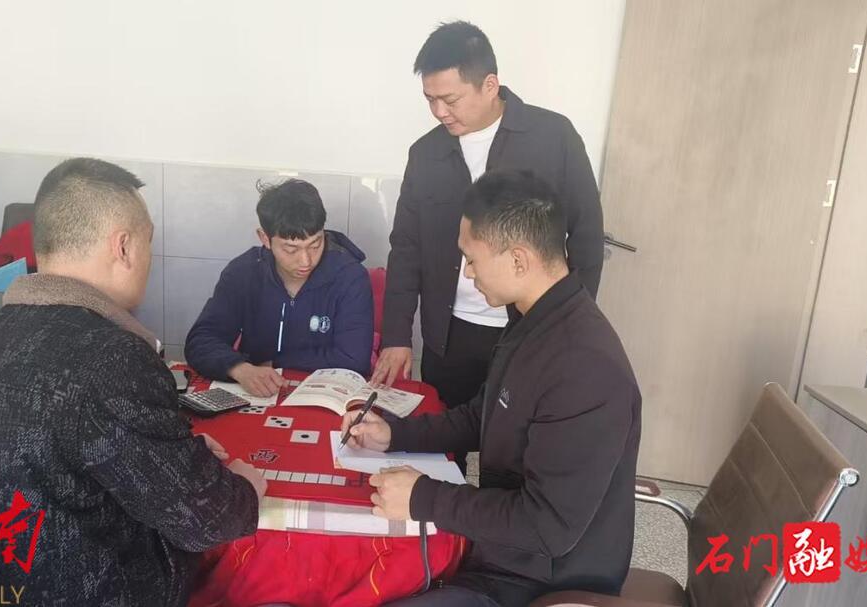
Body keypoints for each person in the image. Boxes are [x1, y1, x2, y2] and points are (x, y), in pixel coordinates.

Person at [0, 158, 266, 606]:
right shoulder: (113, 356)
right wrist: (243, 489)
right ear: (124, 247)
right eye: (148, 242)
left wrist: (179, 454)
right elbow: (204, 519)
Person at [345, 171, 640, 607]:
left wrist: (424, 497)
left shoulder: (585, 367)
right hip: (500, 551)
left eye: (472, 259)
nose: (467, 273)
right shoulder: (533, 319)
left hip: (540, 582)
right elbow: (483, 414)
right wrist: (395, 434)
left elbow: (546, 527)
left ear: (519, 260)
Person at [372, 22, 606, 470]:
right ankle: (446, 513)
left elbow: (587, 235)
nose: (439, 112)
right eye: (429, 100)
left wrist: (569, 321)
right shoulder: (425, 154)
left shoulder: (553, 137)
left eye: (450, 99)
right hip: (450, 333)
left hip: (529, 328)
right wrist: (397, 335)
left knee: (517, 456)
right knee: (443, 447)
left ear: (490, 85)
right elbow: (405, 247)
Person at [185, 179, 374, 395]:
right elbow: (201, 340)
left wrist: (276, 362)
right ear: (265, 238)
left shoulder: (349, 277)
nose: (306, 261)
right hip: (258, 394)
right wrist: (240, 369)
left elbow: (354, 359)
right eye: (291, 249)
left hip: (324, 397)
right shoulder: (244, 273)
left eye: (315, 244)